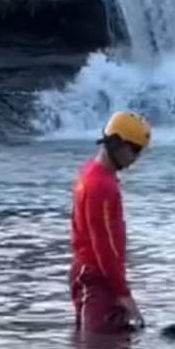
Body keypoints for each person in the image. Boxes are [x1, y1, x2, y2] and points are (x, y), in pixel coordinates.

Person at [69, 110, 151, 334]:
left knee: (95, 348)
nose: (136, 158)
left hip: (90, 273)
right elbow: (104, 245)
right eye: (134, 149)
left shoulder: (91, 174)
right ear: (117, 144)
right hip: (97, 279)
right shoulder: (101, 185)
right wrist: (123, 294)